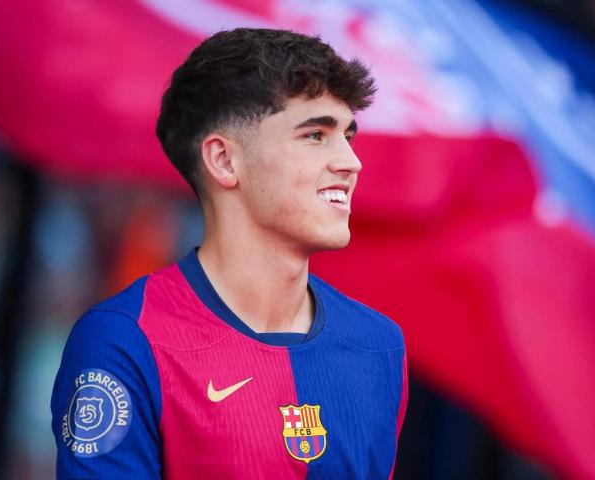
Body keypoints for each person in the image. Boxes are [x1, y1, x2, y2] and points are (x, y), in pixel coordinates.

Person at [51, 27, 407, 479]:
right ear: (223, 160)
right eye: (316, 135)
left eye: (348, 137)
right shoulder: (124, 338)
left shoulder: (379, 344)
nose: (351, 163)